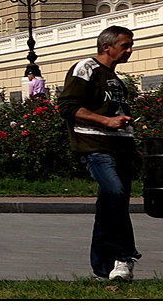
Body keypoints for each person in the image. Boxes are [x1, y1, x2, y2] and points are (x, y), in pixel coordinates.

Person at [60, 25, 142, 281]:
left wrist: (134, 148)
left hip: (121, 149)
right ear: (107, 46)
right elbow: (67, 106)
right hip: (95, 148)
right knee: (115, 193)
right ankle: (124, 255)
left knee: (110, 205)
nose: (129, 50)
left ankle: (102, 268)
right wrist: (106, 122)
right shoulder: (85, 68)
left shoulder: (116, 79)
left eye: (130, 45)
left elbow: (117, 116)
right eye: (125, 45)